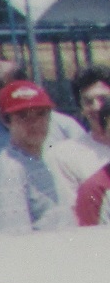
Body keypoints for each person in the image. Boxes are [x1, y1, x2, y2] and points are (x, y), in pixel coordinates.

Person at [0, 80, 80, 235]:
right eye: (23, 116)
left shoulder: (43, 159)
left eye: (41, 114)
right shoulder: (8, 168)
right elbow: (14, 237)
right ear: (7, 121)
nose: (34, 123)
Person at [48, 65, 110, 196]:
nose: (97, 107)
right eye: (88, 102)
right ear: (81, 109)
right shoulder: (66, 155)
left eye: (103, 99)